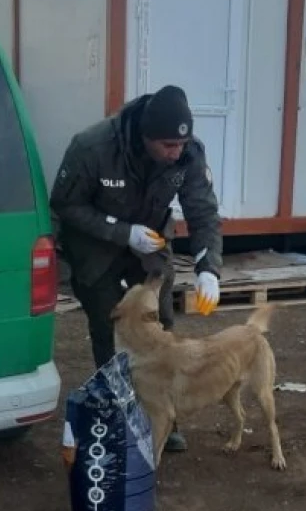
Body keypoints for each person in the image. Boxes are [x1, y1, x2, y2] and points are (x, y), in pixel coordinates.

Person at [49, 84, 223, 453]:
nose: (176, 153)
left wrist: (209, 267)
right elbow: (66, 205)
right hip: (97, 247)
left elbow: (203, 211)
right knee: (111, 330)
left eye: (181, 145)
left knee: (159, 328)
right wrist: (121, 231)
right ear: (145, 137)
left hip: (151, 244)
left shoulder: (188, 153)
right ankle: (120, 416)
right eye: (167, 146)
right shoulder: (92, 146)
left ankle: (162, 418)